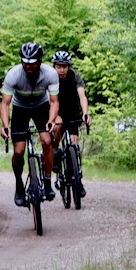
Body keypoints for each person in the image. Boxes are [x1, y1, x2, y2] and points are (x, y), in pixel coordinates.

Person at [0, 41, 61, 207]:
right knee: (19, 151)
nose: (28, 67)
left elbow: (54, 102)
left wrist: (51, 120)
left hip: (41, 106)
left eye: (32, 64)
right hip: (20, 107)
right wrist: (6, 125)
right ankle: (19, 185)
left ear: (40, 62)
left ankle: (47, 182)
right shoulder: (13, 75)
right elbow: (5, 104)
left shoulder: (50, 74)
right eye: (24, 63)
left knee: (47, 141)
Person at [50, 49, 89, 197]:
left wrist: (85, 113)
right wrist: (52, 118)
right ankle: (55, 156)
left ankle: (77, 180)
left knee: (74, 144)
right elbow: (48, 99)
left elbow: (82, 96)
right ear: (54, 66)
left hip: (72, 111)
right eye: (59, 66)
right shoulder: (51, 78)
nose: (62, 69)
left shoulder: (75, 76)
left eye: (64, 66)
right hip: (57, 111)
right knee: (57, 127)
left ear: (69, 67)